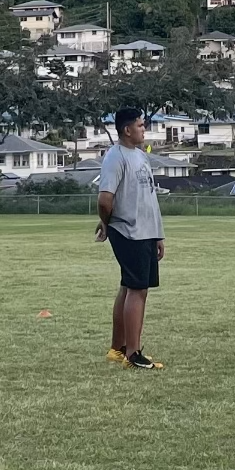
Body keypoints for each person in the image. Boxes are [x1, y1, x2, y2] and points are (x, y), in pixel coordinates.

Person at [96, 108, 165, 370]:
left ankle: (118, 349)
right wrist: (107, 223)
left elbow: (148, 197)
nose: (144, 129)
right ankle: (133, 355)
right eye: (140, 125)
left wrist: (158, 234)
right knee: (138, 289)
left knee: (128, 286)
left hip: (146, 232)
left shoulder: (140, 155)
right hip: (128, 230)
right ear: (127, 130)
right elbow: (105, 199)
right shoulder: (115, 157)